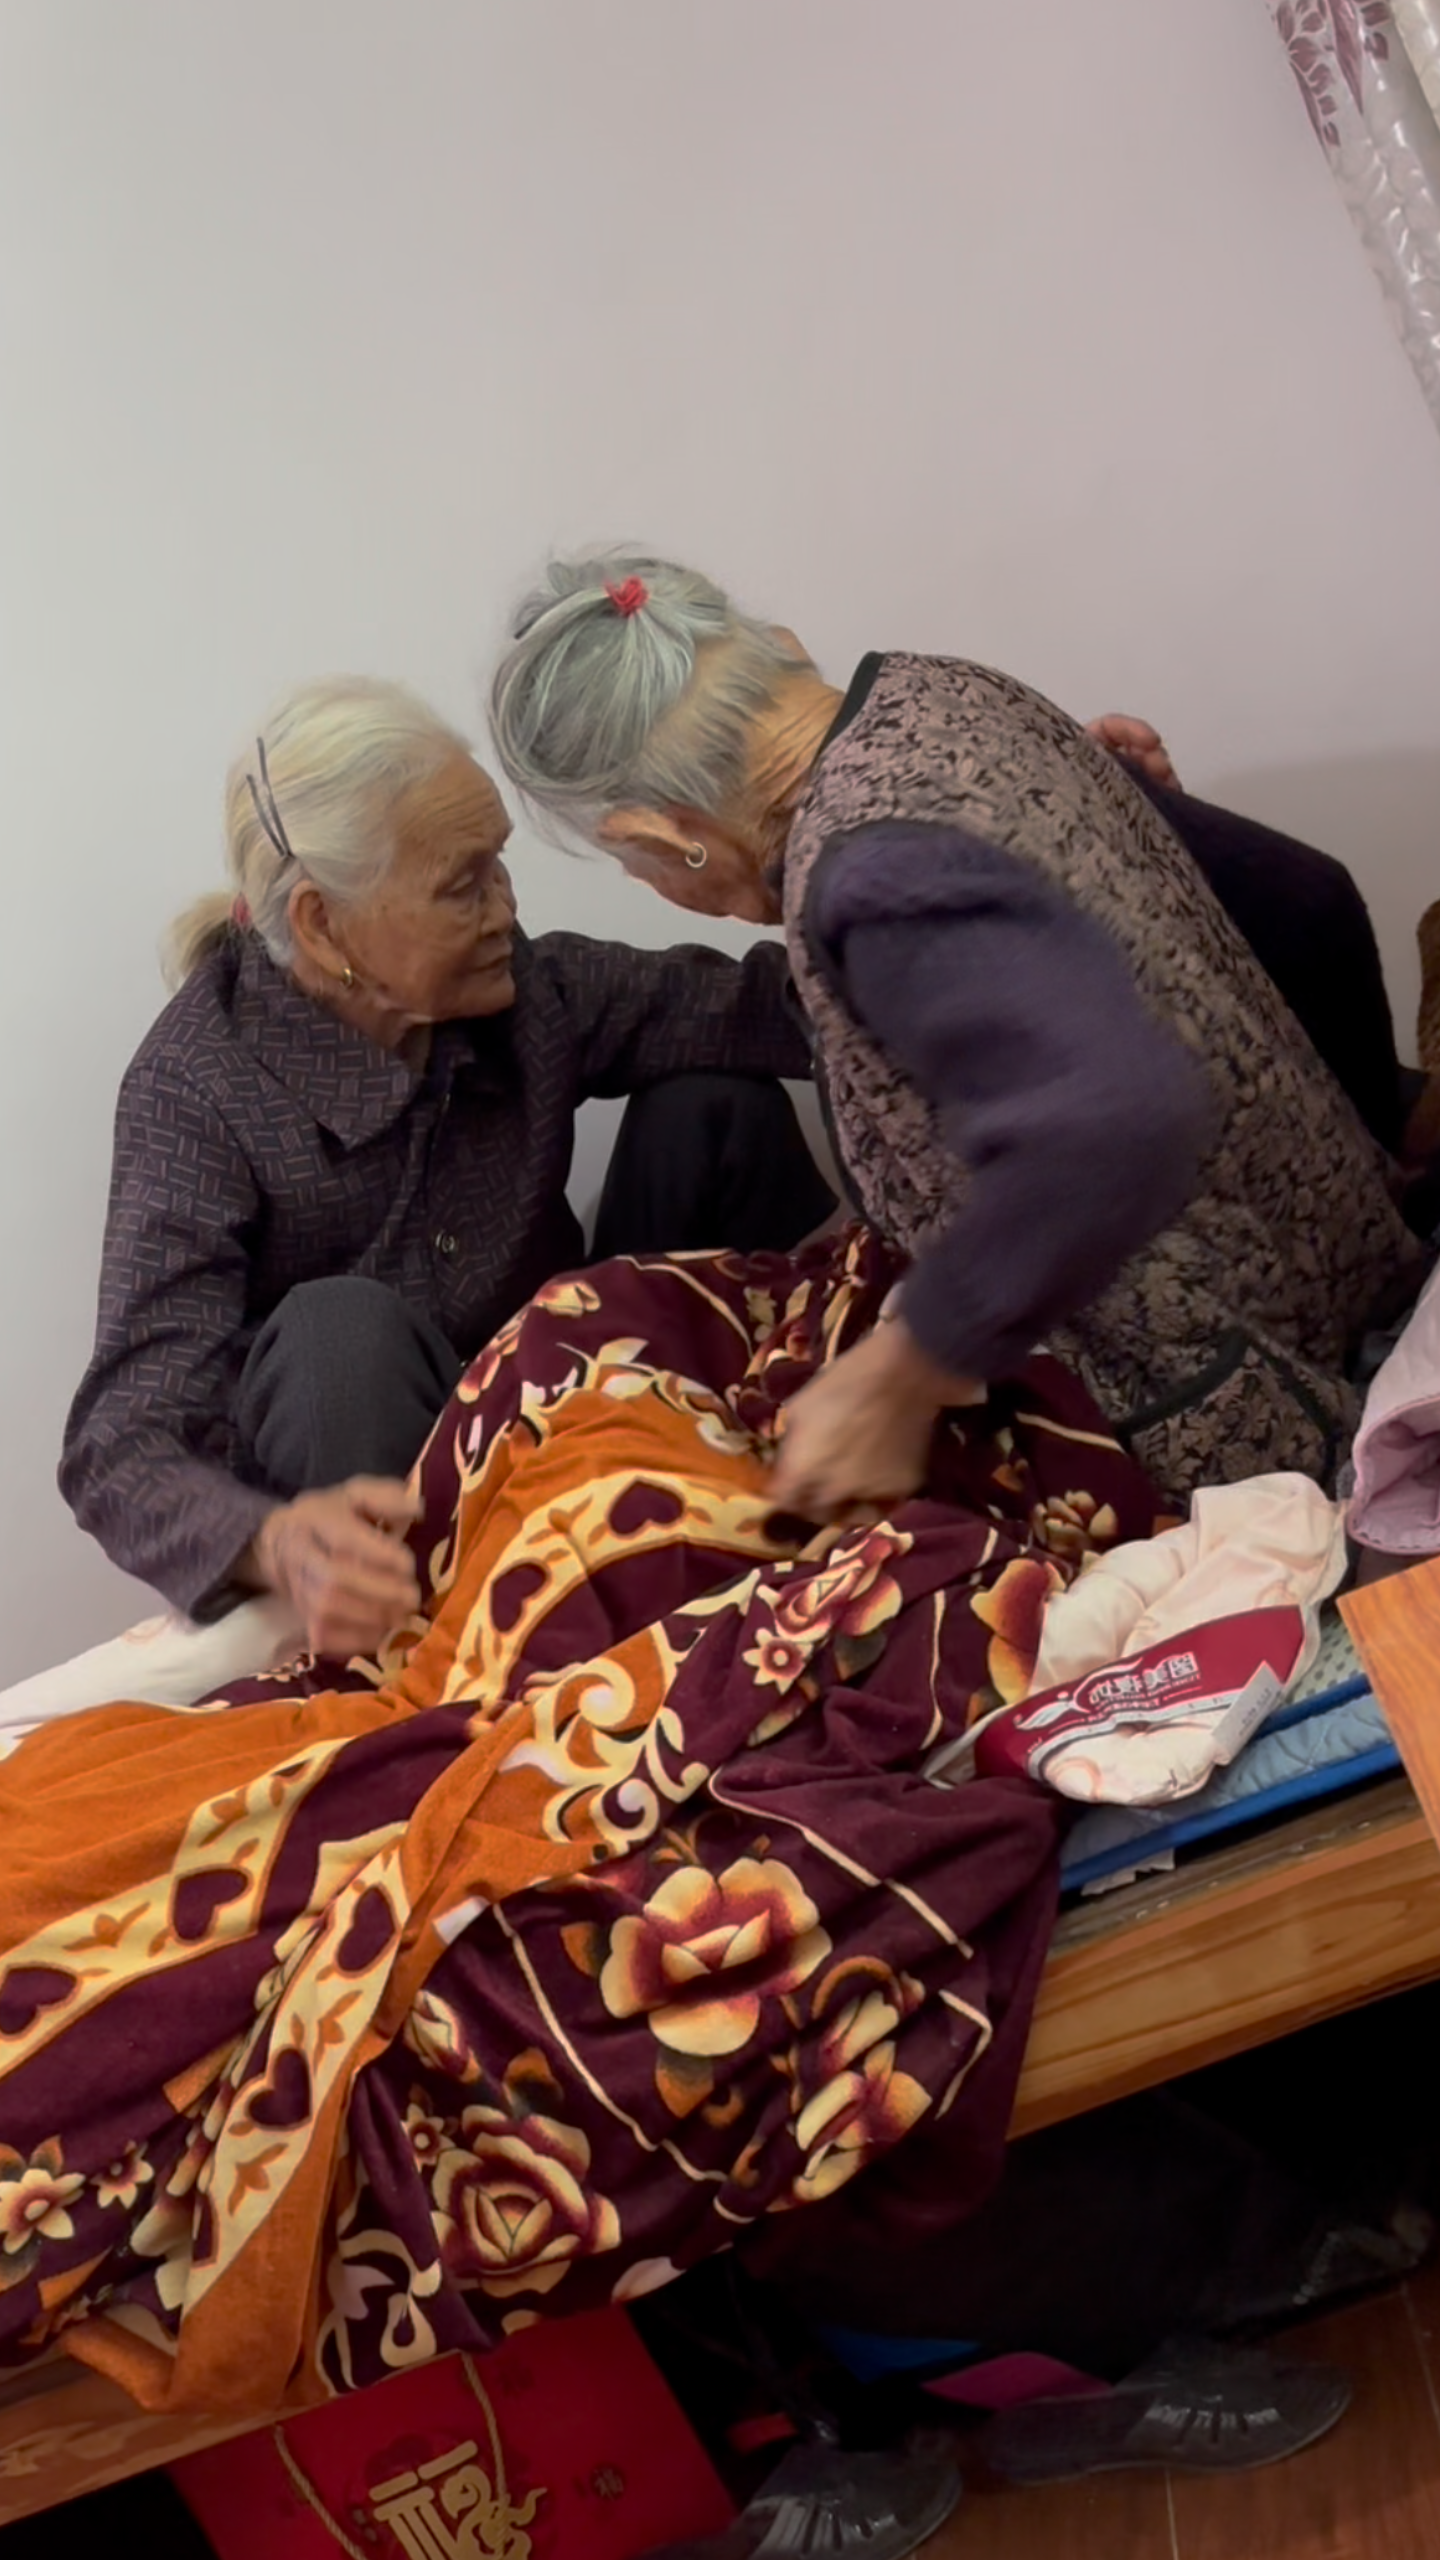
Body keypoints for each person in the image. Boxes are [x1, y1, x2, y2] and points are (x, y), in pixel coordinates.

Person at [489, 553, 1424, 1520]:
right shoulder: (944, 691)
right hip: (1353, 1264)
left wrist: (907, 1366)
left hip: (1260, 1403)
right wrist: (1367, 1153)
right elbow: (1308, 898)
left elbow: (1115, 1116)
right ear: (777, 653)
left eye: (634, 864)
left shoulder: (866, 877)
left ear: (662, 832)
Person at [61, 677, 835, 1659]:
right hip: (404, 1506)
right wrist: (273, 1544)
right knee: (338, 1330)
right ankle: (431, 1656)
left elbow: (757, 1006)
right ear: (322, 925)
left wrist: (917, 918)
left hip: (574, 1412)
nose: (504, 908)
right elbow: (122, 1445)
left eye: (498, 865)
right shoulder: (196, 1088)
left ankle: (786, 1480)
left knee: (713, 1106)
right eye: (463, 884)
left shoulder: (521, 990)